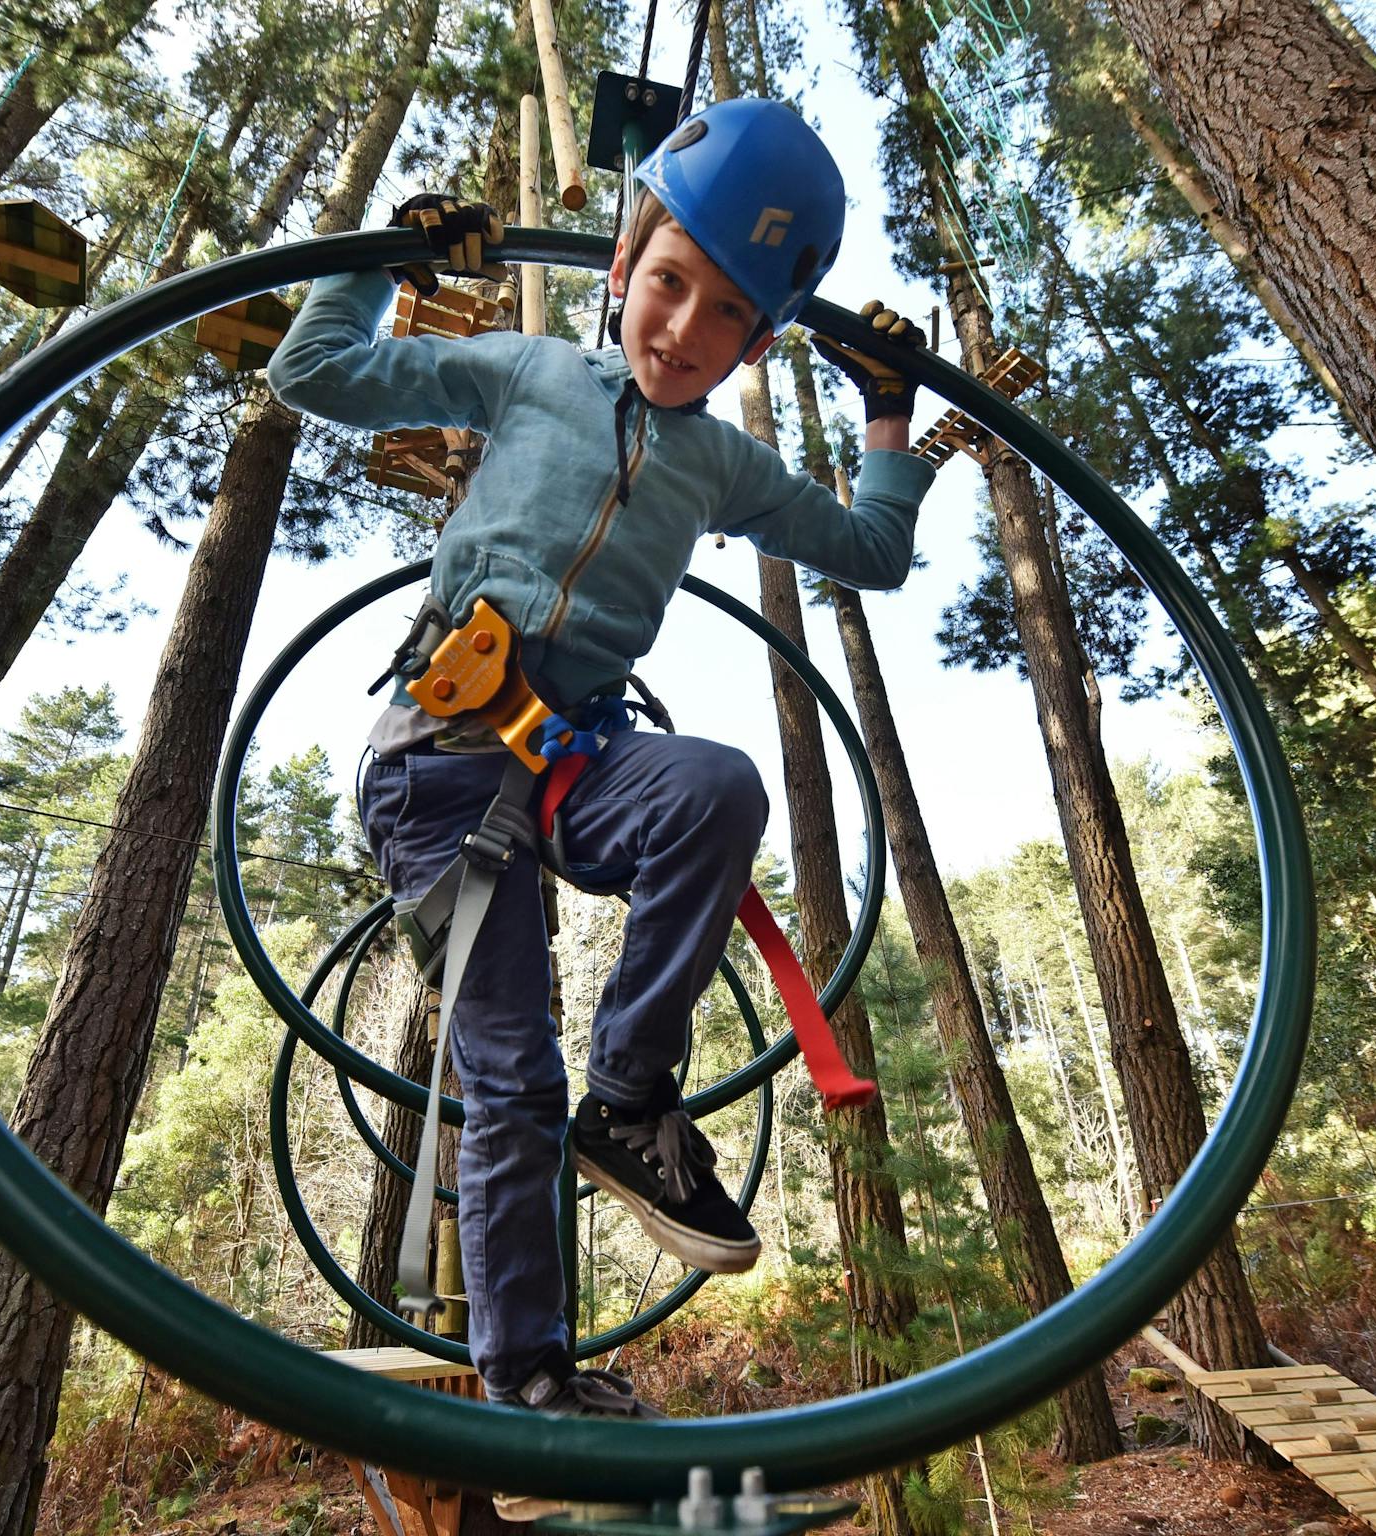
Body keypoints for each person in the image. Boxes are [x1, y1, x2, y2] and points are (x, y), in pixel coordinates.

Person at [267, 98, 935, 1437]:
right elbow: (318, 373)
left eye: (729, 316)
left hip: (578, 765)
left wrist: (885, 423)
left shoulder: (721, 463)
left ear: (757, 340)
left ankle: (634, 1100)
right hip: (442, 769)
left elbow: (870, 551)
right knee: (510, 1076)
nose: (686, 332)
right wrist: (379, 263)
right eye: (671, 284)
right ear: (623, 270)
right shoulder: (526, 374)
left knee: (721, 784)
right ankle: (531, 1387)